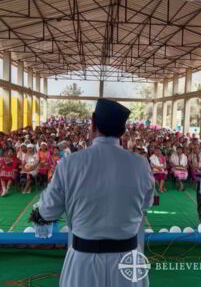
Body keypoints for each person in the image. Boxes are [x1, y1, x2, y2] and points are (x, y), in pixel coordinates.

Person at [36, 99, 154, 287]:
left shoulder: (70, 163)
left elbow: (47, 211)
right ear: (123, 131)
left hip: (84, 263)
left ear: (92, 124)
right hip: (127, 262)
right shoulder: (140, 164)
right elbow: (146, 203)